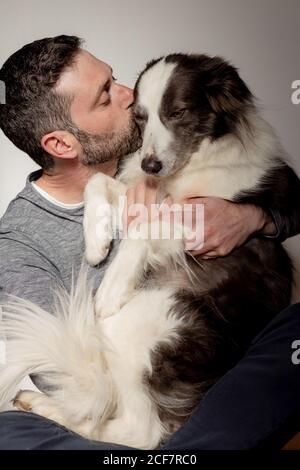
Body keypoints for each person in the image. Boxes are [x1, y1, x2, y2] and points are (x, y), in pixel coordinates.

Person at [0, 35, 299, 450]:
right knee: (9, 433)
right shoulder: (20, 243)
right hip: (151, 378)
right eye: (105, 96)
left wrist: (252, 217)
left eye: (115, 79)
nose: (130, 96)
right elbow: (69, 376)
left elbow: (287, 193)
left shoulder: (155, 150)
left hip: (233, 346)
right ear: (60, 143)